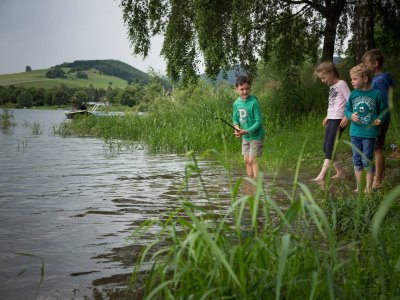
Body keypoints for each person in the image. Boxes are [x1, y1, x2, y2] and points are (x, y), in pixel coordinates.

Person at [345, 63, 387, 193]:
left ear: (365, 79)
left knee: (366, 159)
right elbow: (347, 110)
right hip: (355, 133)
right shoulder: (353, 95)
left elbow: (384, 110)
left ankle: (368, 188)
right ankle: (359, 187)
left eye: (354, 79)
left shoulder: (376, 94)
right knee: (356, 160)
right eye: (351, 79)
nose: (352, 82)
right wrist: (351, 116)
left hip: (369, 133)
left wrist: (380, 119)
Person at [312, 61, 350, 182]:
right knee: (326, 147)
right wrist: (328, 116)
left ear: (331, 73)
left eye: (323, 77)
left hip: (339, 119)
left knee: (330, 146)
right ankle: (340, 172)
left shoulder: (342, 84)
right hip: (332, 118)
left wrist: (346, 116)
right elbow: (334, 103)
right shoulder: (332, 87)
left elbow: (351, 100)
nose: (322, 80)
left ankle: (321, 176)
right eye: (321, 78)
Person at [362, 49, 394, 189]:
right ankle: (375, 177)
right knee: (375, 148)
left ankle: (378, 180)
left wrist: (378, 120)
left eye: (366, 63)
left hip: (379, 120)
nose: (364, 66)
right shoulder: (378, 79)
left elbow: (384, 103)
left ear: (375, 64)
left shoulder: (380, 81)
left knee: (377, 149)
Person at [232, 76, 265, 178]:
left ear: (250, 88)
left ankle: (256, 181)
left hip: (256, 136)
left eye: (247, 89)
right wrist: (237, 128)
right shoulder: (236, 104)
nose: (245, 91)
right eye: (242, 89)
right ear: (236, 89)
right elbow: (235, 119)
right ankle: (250, 181)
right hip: (245, 137)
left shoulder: (254, 102)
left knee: (252, 159)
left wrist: (246, 131)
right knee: (246, 160)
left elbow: (259, 122)